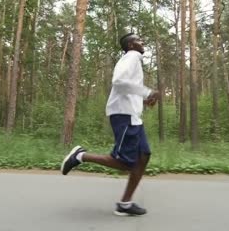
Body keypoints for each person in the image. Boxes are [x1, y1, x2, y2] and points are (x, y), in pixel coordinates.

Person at [61, 33, 159, 216]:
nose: (142, 41)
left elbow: (126, 88)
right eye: (138, 39)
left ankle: (125, 204)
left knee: (143, 156)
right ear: (131, 45)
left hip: (132, 116)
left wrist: (143, 100)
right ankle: (80, 156)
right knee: (126, 162)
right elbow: (119, 82)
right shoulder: (131, 57)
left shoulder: (133, 59)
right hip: (124, 116)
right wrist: (147, 92)